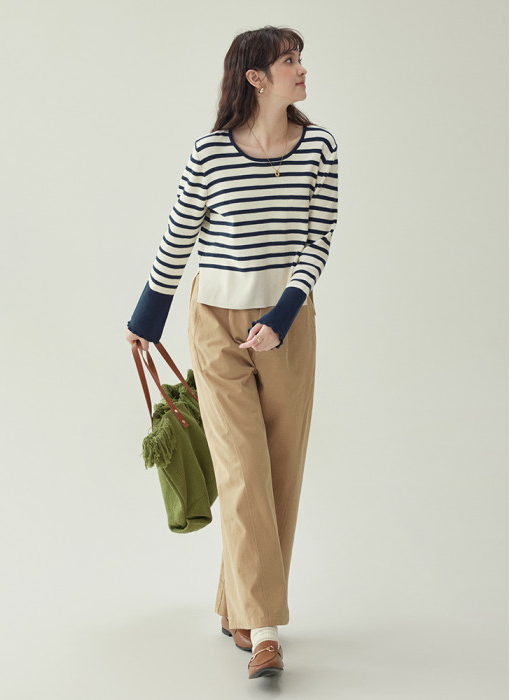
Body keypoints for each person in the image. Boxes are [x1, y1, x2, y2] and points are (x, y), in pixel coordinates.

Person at [125, 25, 338, 679]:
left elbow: (319, 239)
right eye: (288, 60)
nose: (301, 69)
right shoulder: (210, 153)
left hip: (287, 323)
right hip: (216, 324)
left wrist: (282, 315)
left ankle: (236, 605)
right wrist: (147, 317)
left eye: (300, 58)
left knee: (280, 472)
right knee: (243, 472)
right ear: (256, 78)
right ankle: (265, 630)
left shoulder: (320, 148)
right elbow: (178, 234)